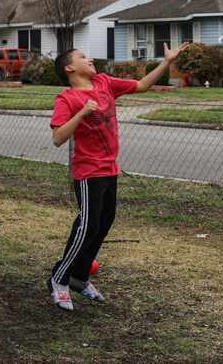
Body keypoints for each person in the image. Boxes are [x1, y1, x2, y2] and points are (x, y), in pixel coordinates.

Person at [48, 43, 190, 311]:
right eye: (82, 57)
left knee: (103, 223)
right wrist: (82, 113)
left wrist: (166, 62)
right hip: (88, 173)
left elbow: (141, 86)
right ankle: (59, 278)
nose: (89, 58)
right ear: (69, 68)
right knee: (86, 226)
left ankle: (79, 278)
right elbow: (58, 138)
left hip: (109, 169)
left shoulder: (104, 83)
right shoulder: (66, 99)